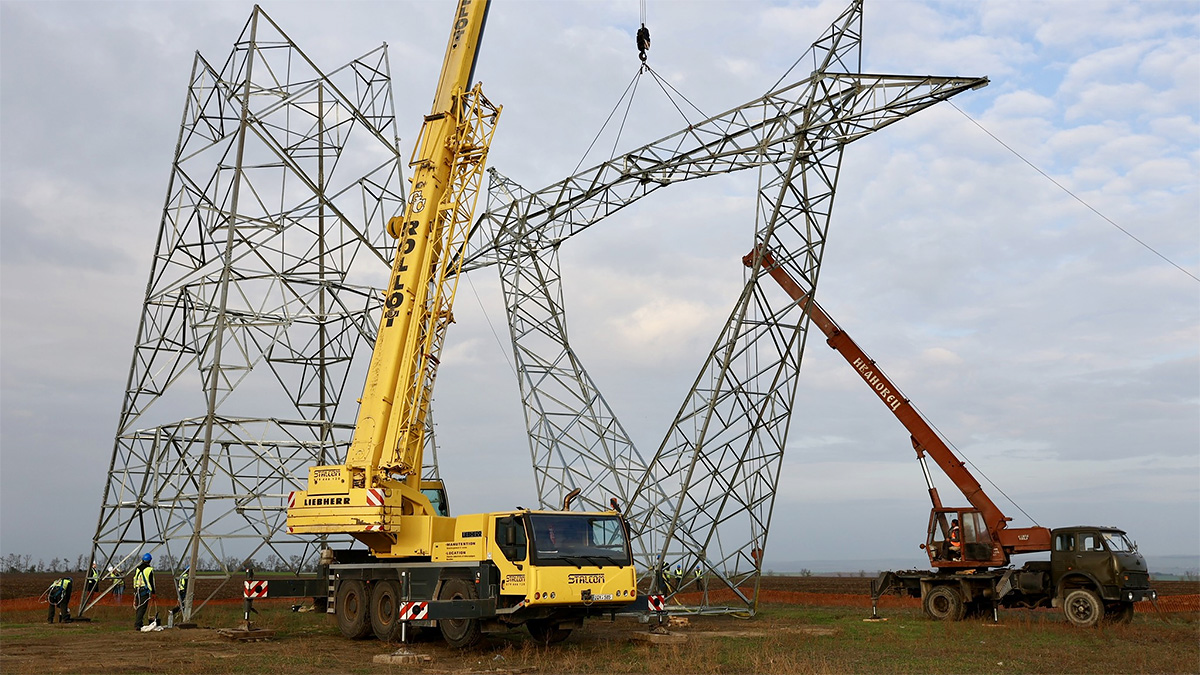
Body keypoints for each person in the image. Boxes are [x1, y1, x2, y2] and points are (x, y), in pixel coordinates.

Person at [133, 553, 156, 630]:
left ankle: (139, 622)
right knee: (142, 608)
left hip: (137, 589)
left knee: (139, 606)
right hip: (144, 590)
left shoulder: (137, 569)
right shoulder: (149, 570)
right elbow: (152, 582)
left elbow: (134, 578)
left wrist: (134, 589)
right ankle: (138, 624)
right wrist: (153, 593)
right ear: (150, 561)